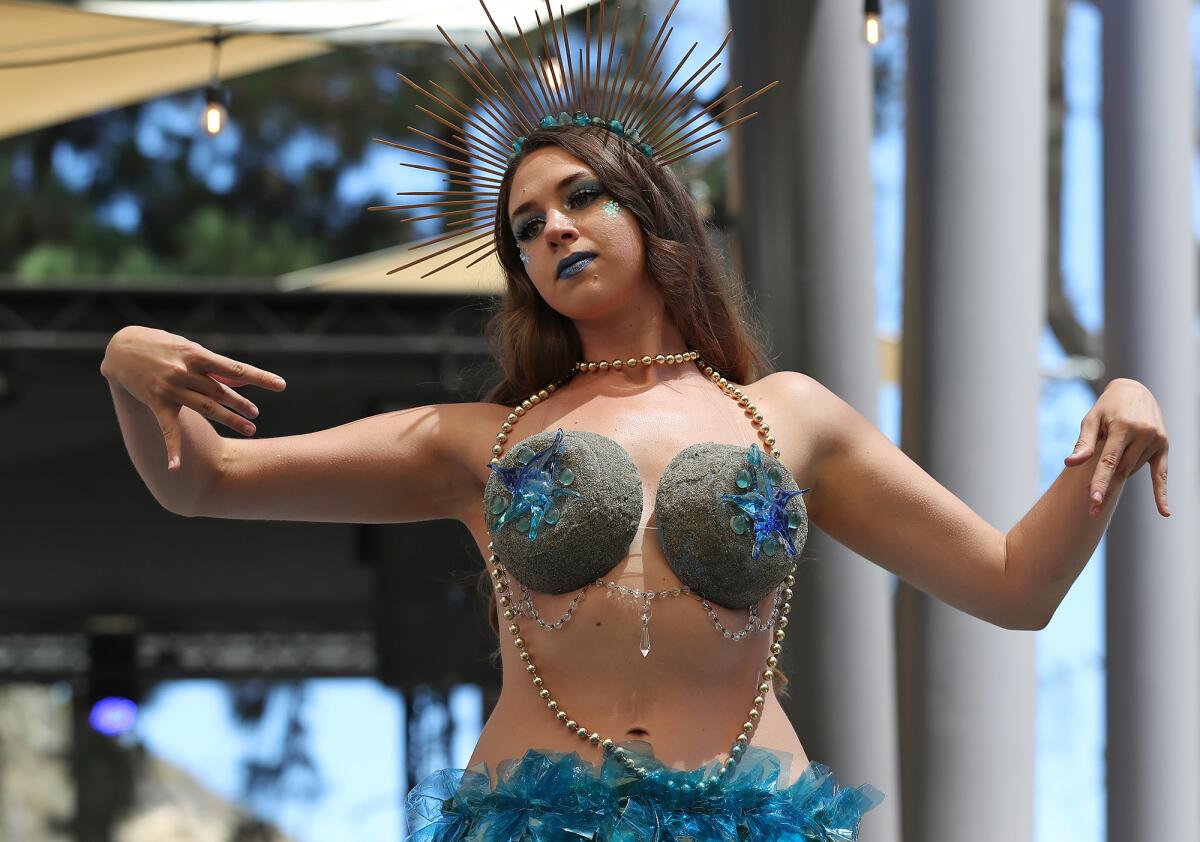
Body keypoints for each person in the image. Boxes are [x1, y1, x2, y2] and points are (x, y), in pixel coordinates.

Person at [99, 3, 1172, 839]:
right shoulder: (476, 441)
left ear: (649, 209)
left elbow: (1014, 583)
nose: (553, 228)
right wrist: (122, 367)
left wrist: (1112, 436)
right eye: (525, 226)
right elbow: (205, 479)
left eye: (580, 198)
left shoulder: (788, 416)